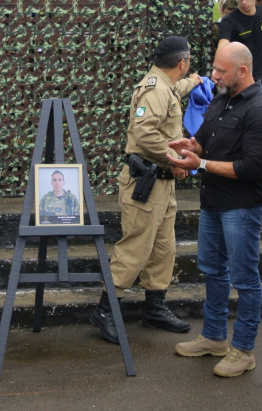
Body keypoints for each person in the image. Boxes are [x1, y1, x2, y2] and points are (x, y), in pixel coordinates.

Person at [168, 42, 262, 378]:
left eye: (221, 70)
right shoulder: (221, 98)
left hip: (242, 207)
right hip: (214, 202)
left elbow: (253, 169)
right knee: (213, 271)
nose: (213, 75)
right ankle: (215, 337)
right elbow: (204, 140)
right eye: (214, 68)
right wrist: (190, 146)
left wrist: (200, 163)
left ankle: (243, 350)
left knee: (245, 279)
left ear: (243, 71)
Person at [89, 36, 198, 344]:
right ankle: (106, 310)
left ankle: (155, 307)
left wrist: (193, 82)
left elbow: (176, 91)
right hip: (147, 182)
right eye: (188, 62)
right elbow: (144, 133)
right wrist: (176, 158)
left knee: (164, 248)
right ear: (182, 62)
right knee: (135, 248)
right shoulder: (155, 89)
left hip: (163, 183)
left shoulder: (166, 85)